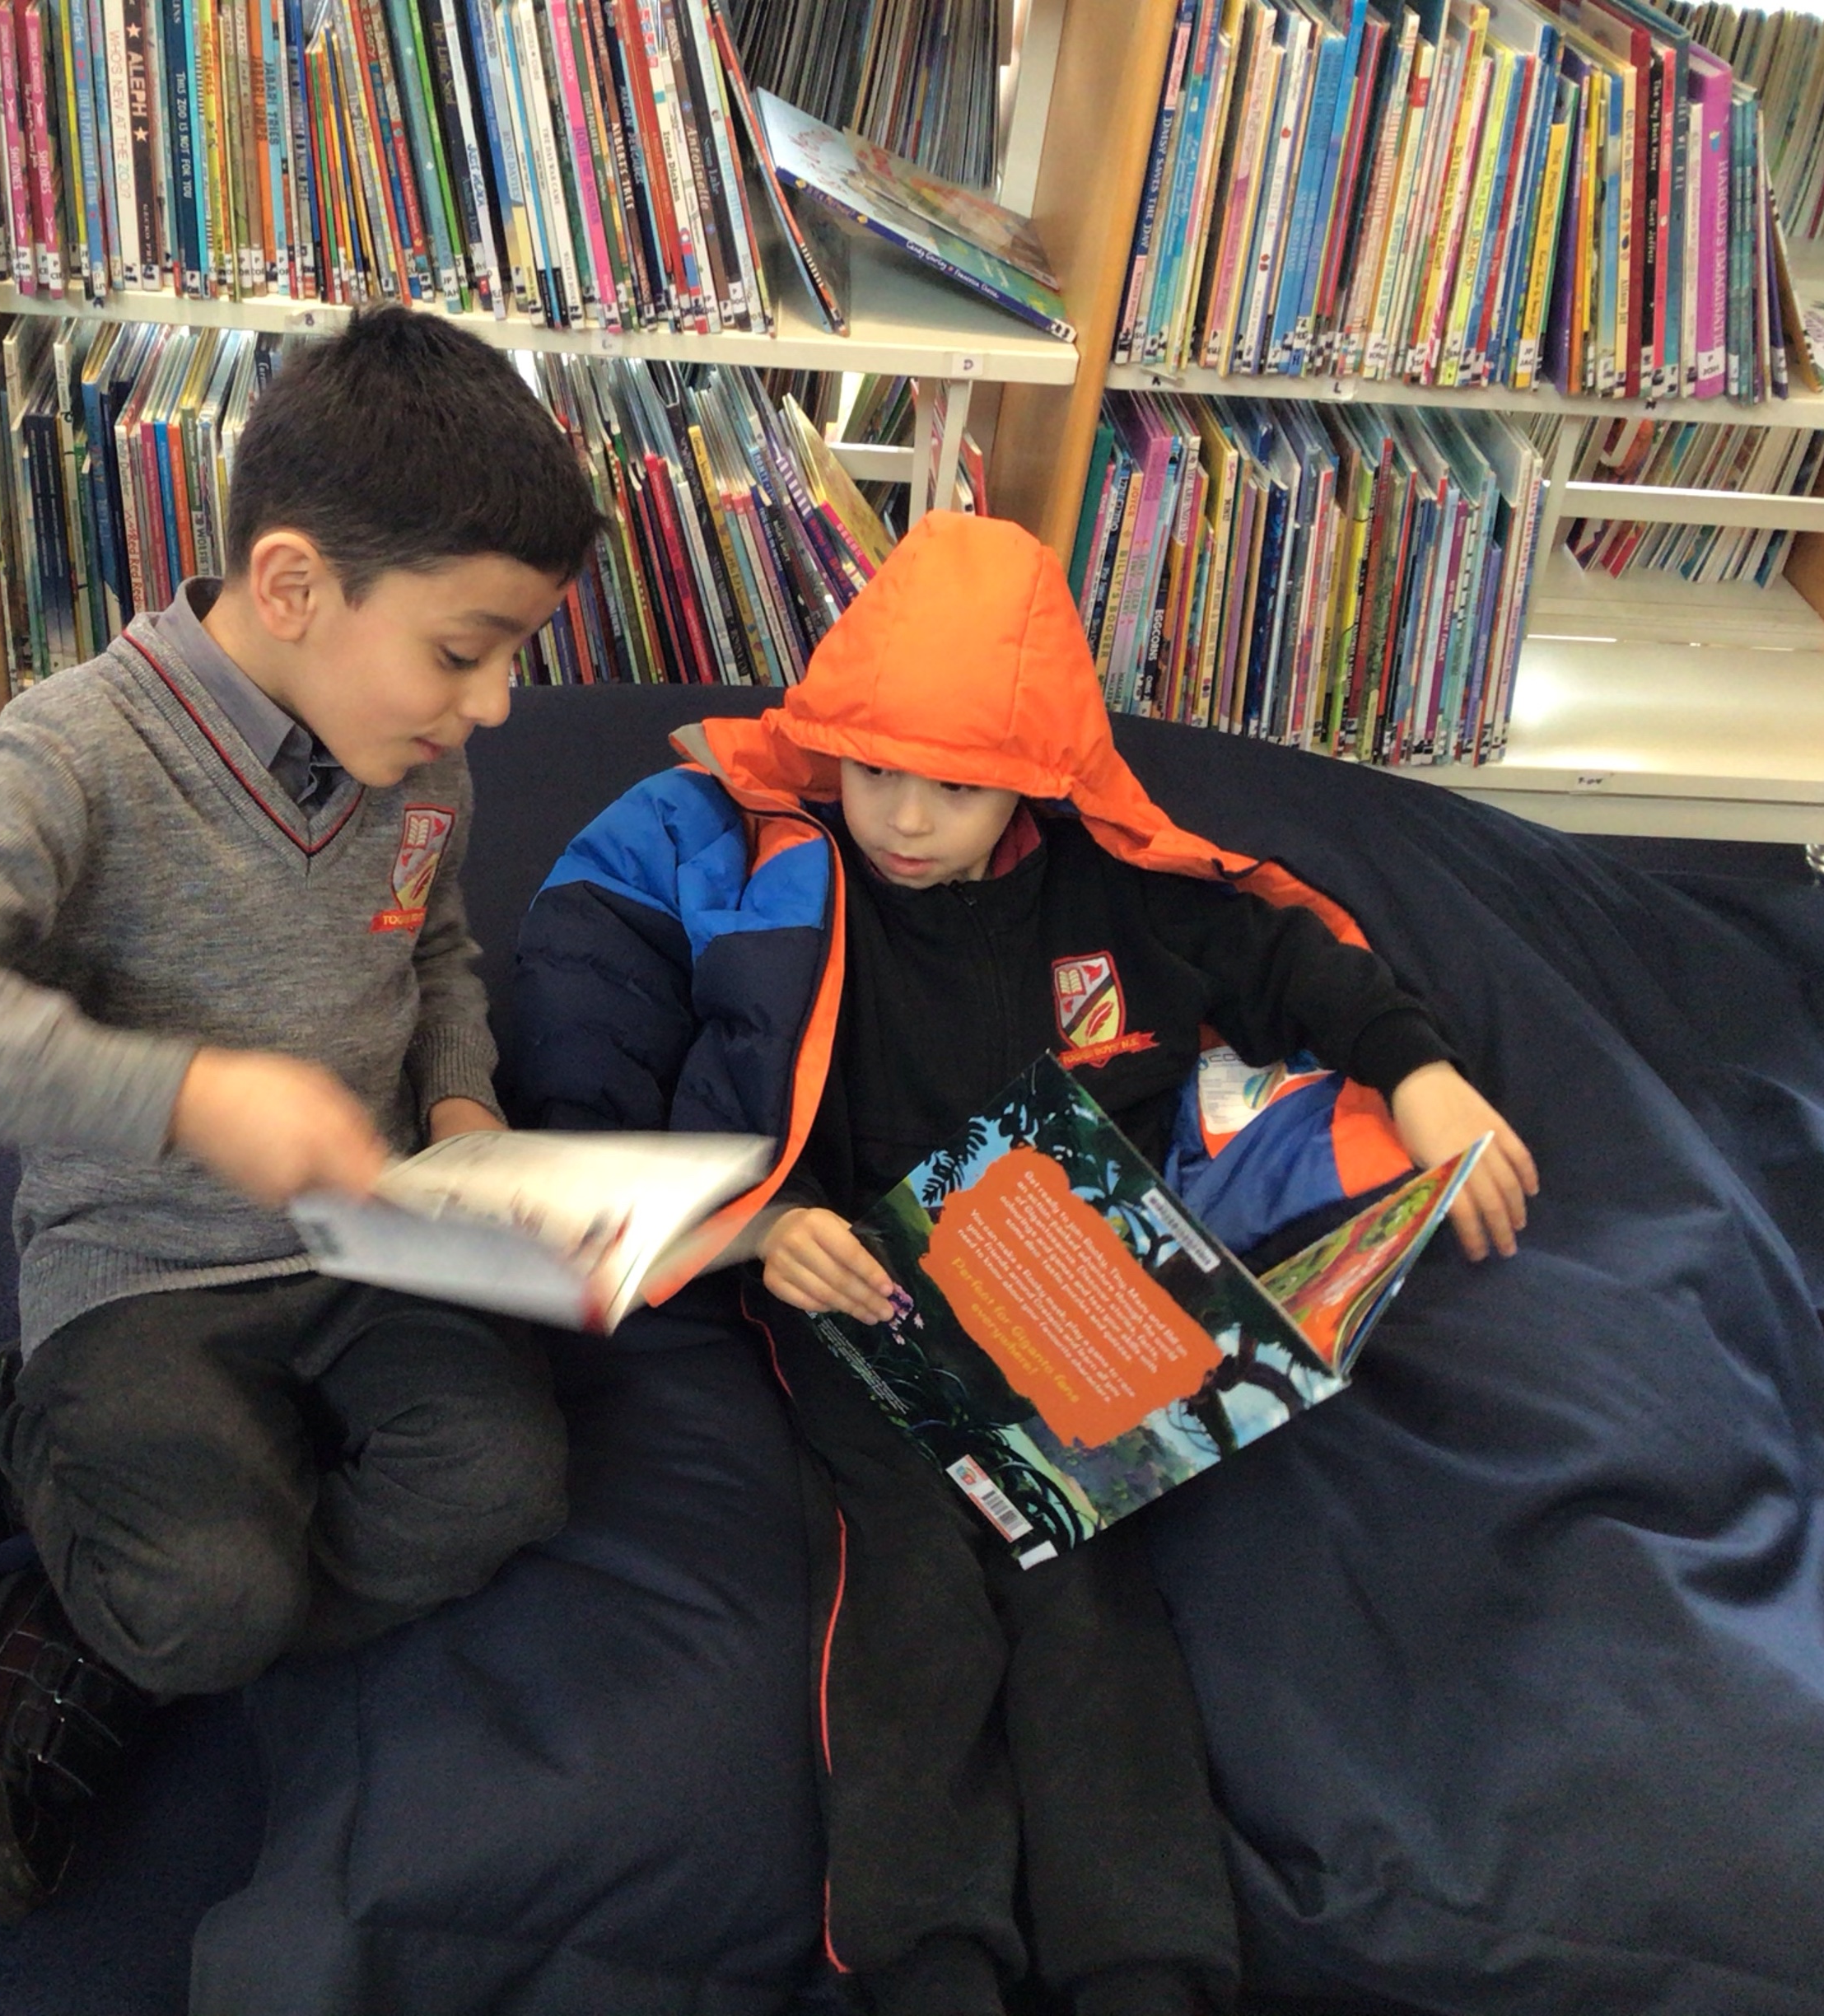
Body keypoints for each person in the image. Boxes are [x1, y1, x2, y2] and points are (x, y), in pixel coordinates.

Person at [510, 511, 1538, 2016]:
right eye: (876, 771)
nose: (906, 817)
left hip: (1065, 1289)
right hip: (856, 1283)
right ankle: (928, 1956)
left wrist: (1421, 1069)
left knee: (1091, 1598)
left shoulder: (1107, 887)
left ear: (1034, 783)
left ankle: (1147, 1963)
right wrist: (751, 1229)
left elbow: (1287, 953)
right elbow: (602, 1026)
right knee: (911, 1582)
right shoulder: (773, 861)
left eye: (956, 786)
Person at [0, 307, 604, 1920]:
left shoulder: (418, 756)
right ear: (291, 587)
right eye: (463, 651)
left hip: (368, 1247)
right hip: (140, 1268)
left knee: (502, 1487)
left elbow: (434, 948)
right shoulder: (77, 752)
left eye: (511, 659)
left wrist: (461, 1100)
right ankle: (91, 1577)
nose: (495, 705)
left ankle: (188, 1594)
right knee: (207, 1595)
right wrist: (187, 1094)